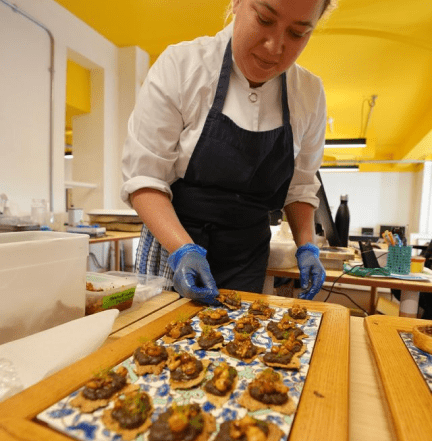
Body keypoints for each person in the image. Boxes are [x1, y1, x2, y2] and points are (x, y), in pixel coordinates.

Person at [121, 0, 336, 305]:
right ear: (236, 3)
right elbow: (144, 178)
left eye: (298, 33)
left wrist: (307, 246)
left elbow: (300, 186)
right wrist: (183, 249)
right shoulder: (182, 66)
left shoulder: (309, 94)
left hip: (247, 255)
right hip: (174, 245)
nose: (275, 47)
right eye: (264, 19)